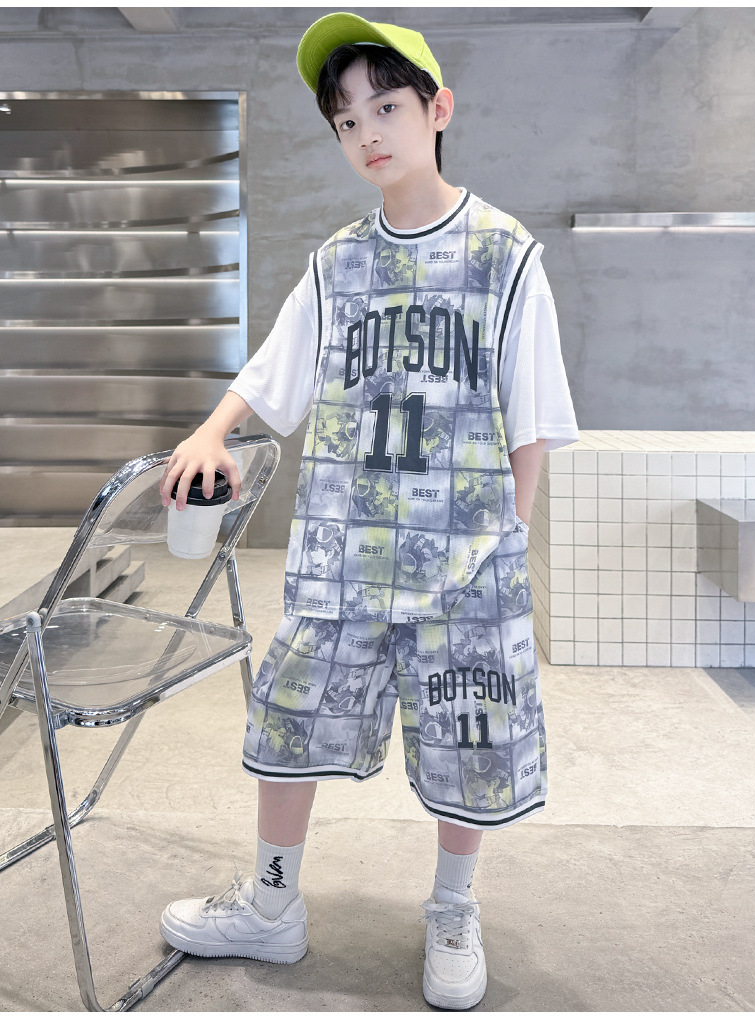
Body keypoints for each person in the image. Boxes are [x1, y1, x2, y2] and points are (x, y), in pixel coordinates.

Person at [157, 12, 579, 1010]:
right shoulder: (338, 262)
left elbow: (531, 420)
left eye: (386, 107)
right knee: (289, 715)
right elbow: (274, 370)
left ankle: (453, 909)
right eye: (347, 120)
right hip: (341, 555)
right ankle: (272, 903)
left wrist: (507, 540)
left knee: (470, 741)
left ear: (438, 109)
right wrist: (212, 430)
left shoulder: (505, 255)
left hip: (465, 564)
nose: (367, 134)